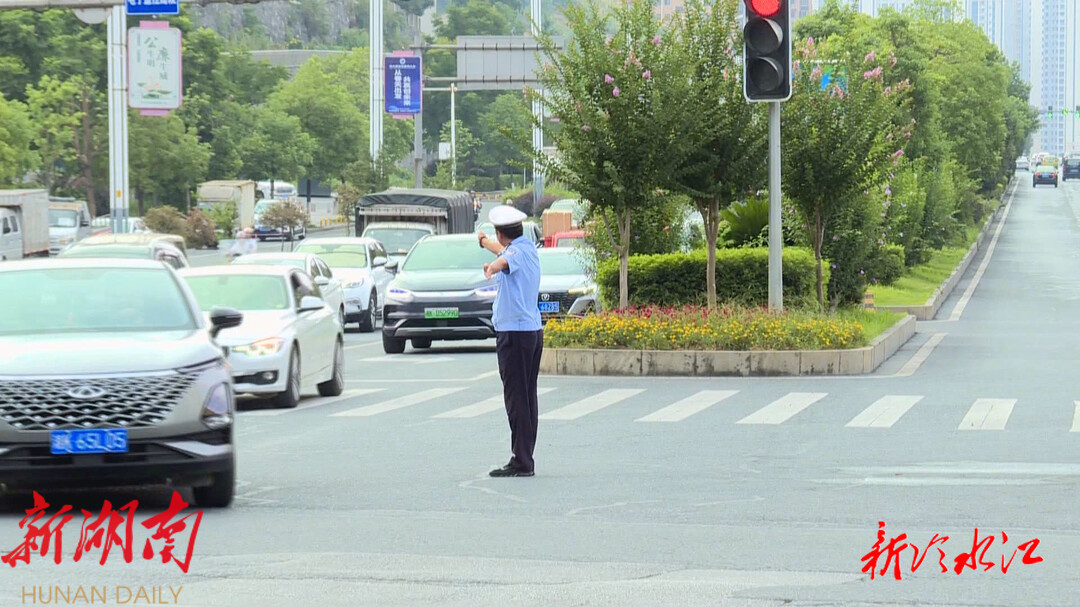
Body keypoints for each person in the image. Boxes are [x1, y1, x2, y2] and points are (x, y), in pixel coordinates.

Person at [477, 206, 543, 478]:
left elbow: (503, 261)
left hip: (515, 335)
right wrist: (484, 242)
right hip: (531, 331)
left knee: (516, 400)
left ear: (501, 233)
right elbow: (502, 251)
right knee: (526, 397)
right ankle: (525, 456)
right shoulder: (527, 247)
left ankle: (522, 461)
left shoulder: (513, 254)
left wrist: (491, 268)